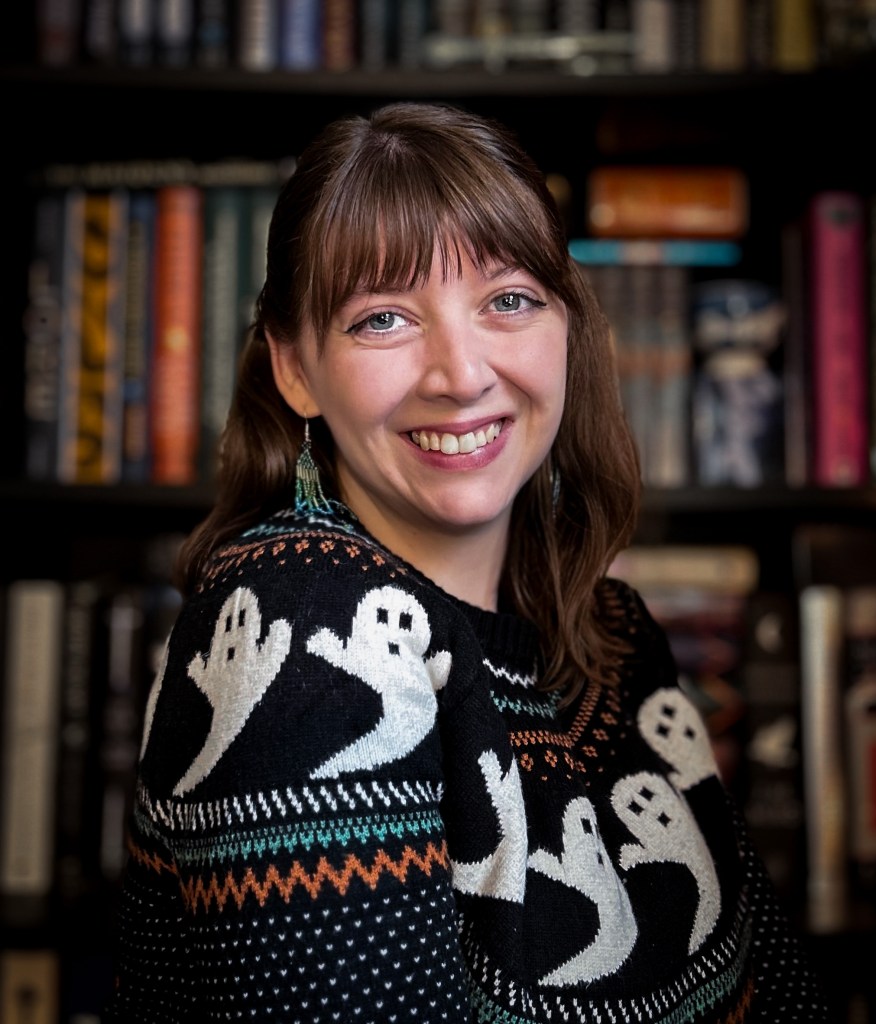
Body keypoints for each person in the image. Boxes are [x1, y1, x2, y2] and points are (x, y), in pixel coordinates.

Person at [106, 101, 829, 1022]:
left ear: (567, 325)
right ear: (294, 368)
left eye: (508, 300)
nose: (460, 373)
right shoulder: (302, 632)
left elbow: (776, 992)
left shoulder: (613, 632)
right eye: (383, 319)